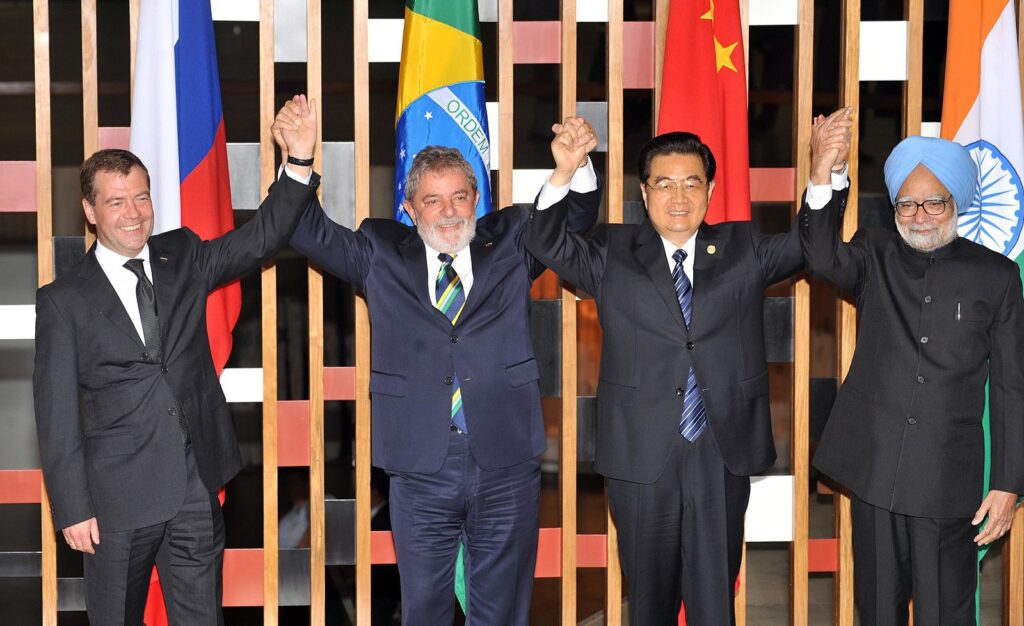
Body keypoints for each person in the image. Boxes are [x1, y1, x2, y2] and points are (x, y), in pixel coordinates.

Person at [525, 118, 848, 623]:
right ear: (644, 190)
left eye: (692, 182)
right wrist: (568, 170)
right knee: (649, 601)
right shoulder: (613, 252)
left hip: (721, 448)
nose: (679, 196)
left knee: (713, 597)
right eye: (665, 183)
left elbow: (812, 246)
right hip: (640, 452)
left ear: (711, 188)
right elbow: (545, 242)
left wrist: (824, 172)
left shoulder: (744, 249)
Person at [287, 112, 601, 624]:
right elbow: (304, 228)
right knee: (425, 609)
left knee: (501, 609)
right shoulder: (379, 251)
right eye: (432, 200)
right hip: (420, 465)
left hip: (506, 459)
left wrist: (572, 170)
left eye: (459, 196)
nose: (448, 211)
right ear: (411, 208)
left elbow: (575, 220)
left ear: (477, 199)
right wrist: (300, 160)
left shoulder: (515, 239)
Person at [32, 96, 320, 624]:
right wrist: (72, 507)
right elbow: (55, 415)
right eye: (116, 202)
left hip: (194, 490)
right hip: (113, 505)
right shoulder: (62, 299)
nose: (134, 213)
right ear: (91, 212)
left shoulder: (182, 255)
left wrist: (298, 162)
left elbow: (259, 239)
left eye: (141, 198)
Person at [801, 124, 1024, 625]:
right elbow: (819, 255)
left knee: (946, 612)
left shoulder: (997, 276)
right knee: (877, 610)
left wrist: (1008, 485)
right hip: (875, 471)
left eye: (933, 203)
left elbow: (1012, 389)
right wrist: (822, 171)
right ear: (895, 207)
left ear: (956, 204)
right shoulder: (873, 254)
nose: (920, 216)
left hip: (949, 482)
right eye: (908, 204)